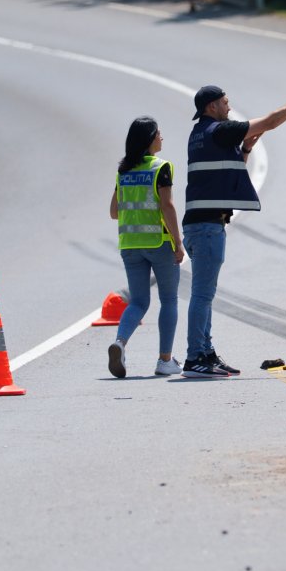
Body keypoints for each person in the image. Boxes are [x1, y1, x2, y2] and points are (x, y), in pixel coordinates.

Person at [181, 83, 286, 377]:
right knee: (202, 295)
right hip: (206, 227)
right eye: (225, 102)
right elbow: (271, 121)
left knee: (205, 294)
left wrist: (246, 148)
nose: (229, 107)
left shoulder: (200, 134)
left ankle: (205, 352)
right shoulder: (219, 130)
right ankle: (195, 357)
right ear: (212, 107)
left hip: (202, 224)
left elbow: (230, 170)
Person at [107, 116, 185, 379]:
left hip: (130, 245)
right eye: (159, 133)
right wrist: (178, 242)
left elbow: (114, 212)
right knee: (169, 300)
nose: (162, 137)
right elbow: (167, 206)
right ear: (150, 138)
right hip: (158, 243)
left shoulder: (124, 171)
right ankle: (165, 360)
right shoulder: (161, 167)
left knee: (139, 301)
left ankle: (120, 343)